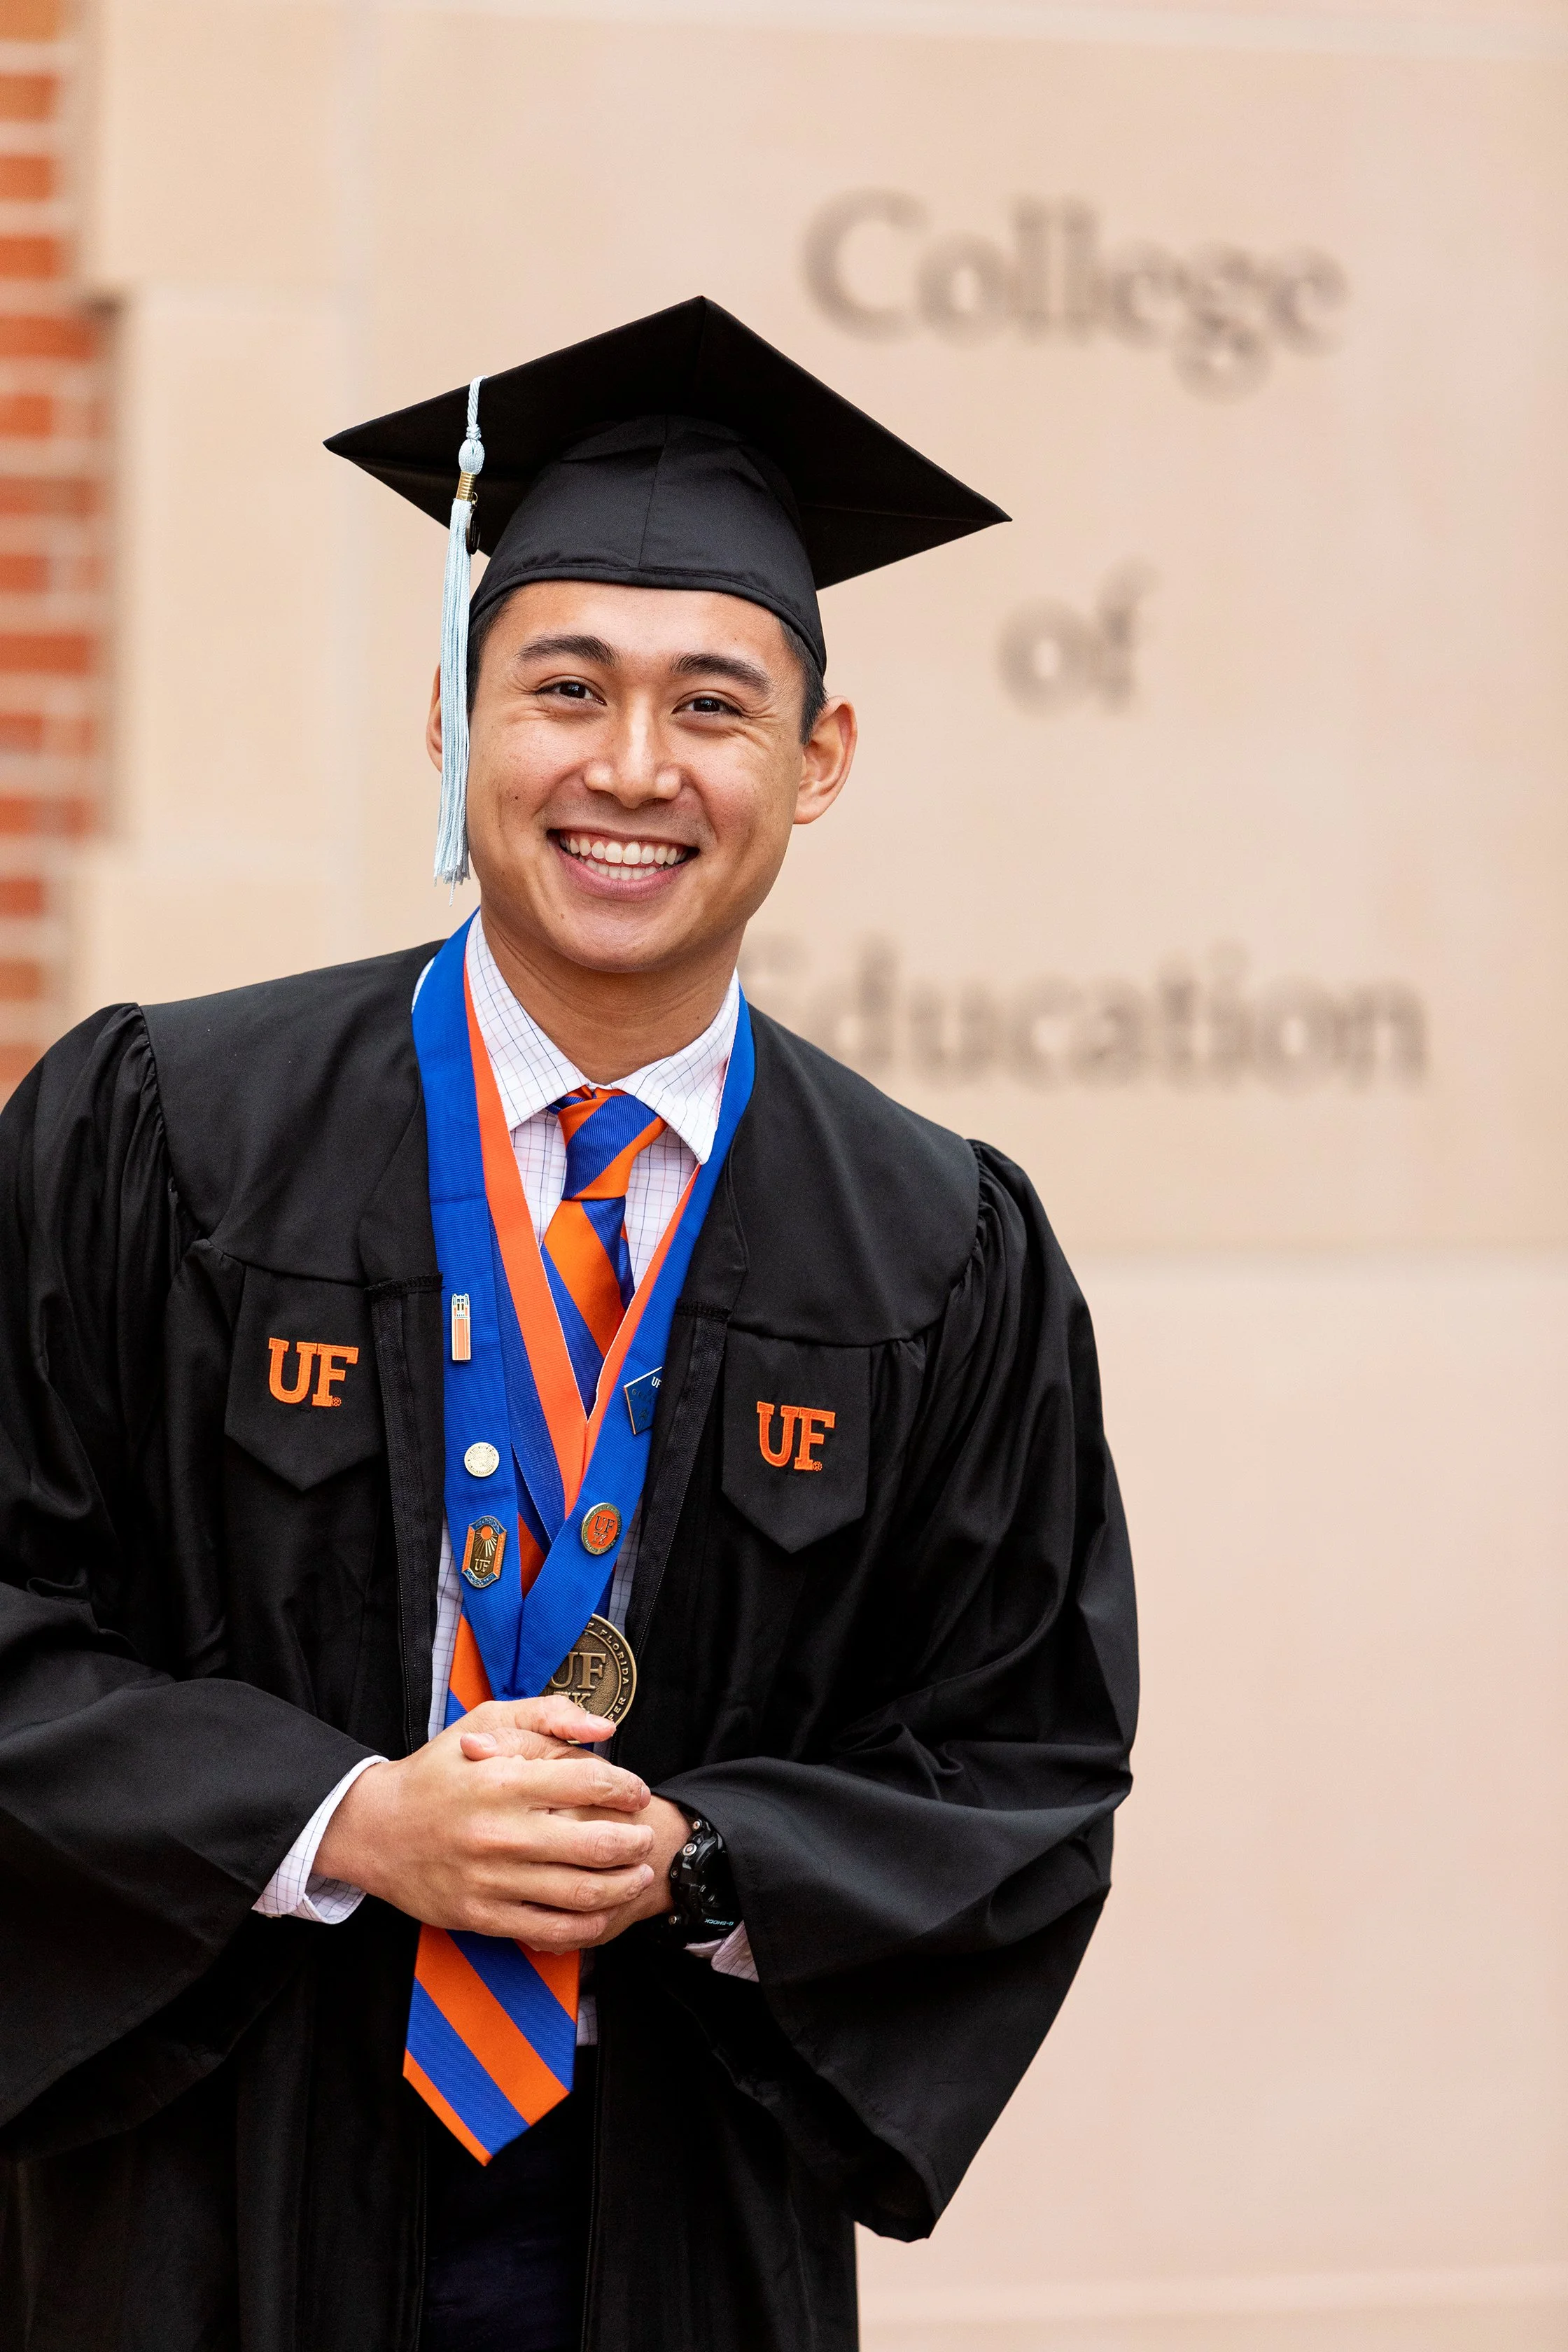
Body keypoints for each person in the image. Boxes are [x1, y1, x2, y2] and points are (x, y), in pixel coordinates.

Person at [0, 298, 1137, 2352]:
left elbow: (1021, 1764)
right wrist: (345, 1821)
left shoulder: (935, 1252)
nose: (632, 770)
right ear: (452, 718)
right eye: (564, 686)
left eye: (714, 703)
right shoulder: (162, 1136)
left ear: (821, 758)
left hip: (678, 2223)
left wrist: (703, 1866)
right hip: (202, 2206)